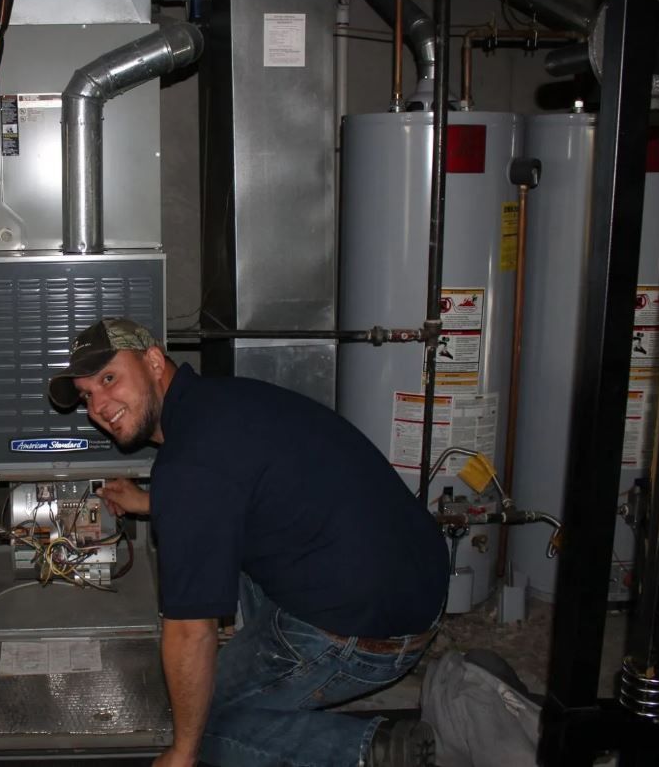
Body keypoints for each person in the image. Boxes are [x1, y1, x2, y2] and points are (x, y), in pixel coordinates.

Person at [48, 318, 449, 767]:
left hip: (370, 631)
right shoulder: (224, 401)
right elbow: (223, 489)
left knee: (205, 718)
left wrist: (183, 753)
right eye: (87, 395)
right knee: (222, 528)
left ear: (154, 361)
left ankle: (372, 751)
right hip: (416, 578)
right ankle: (273, 680)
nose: (98, 405)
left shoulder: (189, 467)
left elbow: (188, 630)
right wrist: (148, 502)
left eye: (108, 379)